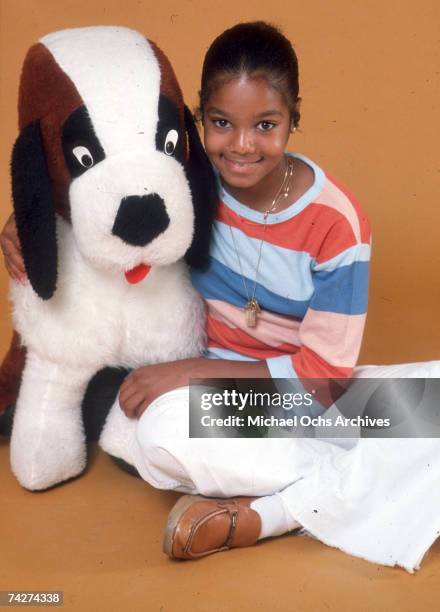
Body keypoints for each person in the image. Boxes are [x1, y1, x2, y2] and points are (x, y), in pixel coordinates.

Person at [1, 21, 440, 571]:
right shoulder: (187, 180)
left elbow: (323, 377)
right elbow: (92, 199)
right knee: (157, 436)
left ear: (293, 117)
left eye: (265, 125)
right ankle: (377, 463)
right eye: (221, 123)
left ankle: (273, 512)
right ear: (198, 119)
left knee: (438, 402)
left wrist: (186, 373)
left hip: (311, 391)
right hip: (216, 409)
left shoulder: (337, 224)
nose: (241, 145)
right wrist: (24, 221)